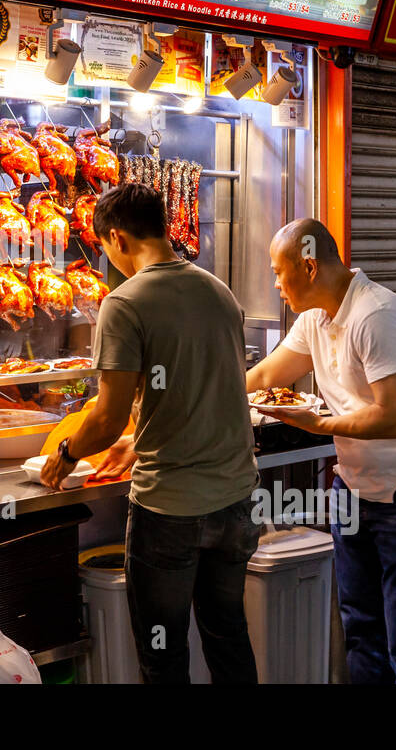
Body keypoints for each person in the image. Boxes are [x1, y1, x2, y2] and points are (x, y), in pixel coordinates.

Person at [39, 184, 260, 684]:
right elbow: (201, 389)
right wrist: (138, 442)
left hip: (171, 510)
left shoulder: (125, 303)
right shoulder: (217, 290)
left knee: (163, 655)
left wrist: (68, 452)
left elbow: (106, 417)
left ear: (116, 237)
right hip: (236, 501)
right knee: (228, 637)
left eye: (103, 248)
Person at [246, 218, 396, 684]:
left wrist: (319, 423)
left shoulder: (378, 315)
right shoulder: (315, 320)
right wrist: (196, 398)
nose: (275, 284)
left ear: (307, 266)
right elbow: (265, 377)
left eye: (277, 272)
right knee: (362, 633)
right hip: (354, 491)